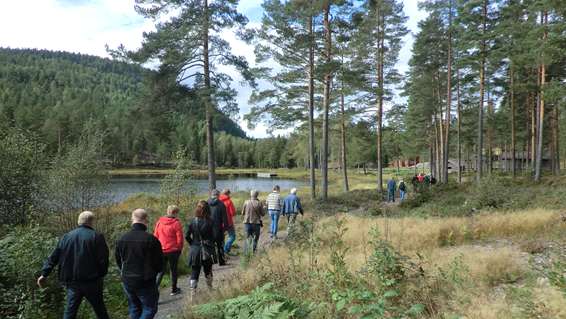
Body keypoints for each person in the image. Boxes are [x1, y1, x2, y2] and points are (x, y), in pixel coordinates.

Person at [38, 211, 110, 319]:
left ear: (79, 221)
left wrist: (44, 274)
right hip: (92, 281)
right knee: (100, 311)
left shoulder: (66, 237)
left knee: (70, 312)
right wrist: (101, 274)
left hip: (72, 282)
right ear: (91, 222)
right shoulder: (97, 236)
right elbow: (103, 260)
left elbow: (54, 257)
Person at [115, 209, 163, 319]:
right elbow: (159, 264)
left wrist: (124, 272)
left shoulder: (122, 239)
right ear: (146, 220)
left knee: (134, 307)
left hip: (127, 279)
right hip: (145, 280)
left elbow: (119, 260)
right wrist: (154, 272)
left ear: (132, 219)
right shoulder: (152, 239)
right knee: (149, 308)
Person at [185, 200, 216, 298]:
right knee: (208, 270)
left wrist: (193, 244)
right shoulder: (210, 221)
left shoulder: (192, 221)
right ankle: (210, 290)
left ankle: (192, 294)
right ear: (208, 209)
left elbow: (186, 236)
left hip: (195, 249)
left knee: (195, 271)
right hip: (207, 249)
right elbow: (214, 236)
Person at [154, 205, 184, 296]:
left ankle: (153, 290)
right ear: (174, 213)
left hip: (161, 250)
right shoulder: (176, 223)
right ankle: (174, 289)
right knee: (173, 270)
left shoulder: (159, 222)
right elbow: (180, 238)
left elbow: (155, 236)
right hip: (173, 250)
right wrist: (179, 248)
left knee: (160, 271)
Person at [208, 189, 228, 266]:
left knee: (210, 245)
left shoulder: (207, 203)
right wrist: (225, 228)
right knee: (220, 245)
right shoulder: (221, 204)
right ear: (218, 195)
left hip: (208, 228)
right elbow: (224, 218)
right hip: (218, 228)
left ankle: (212, 261)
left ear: (211, 195)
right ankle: (221, 261)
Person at [219, 189, 237, 255]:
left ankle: (222, 251)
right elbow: (233, 213)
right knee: (232, 236)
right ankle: (226, 249)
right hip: (228, 222)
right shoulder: (229, 201)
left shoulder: (218, 201)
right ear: (228, 194)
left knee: (222, 237)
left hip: (219, 223)